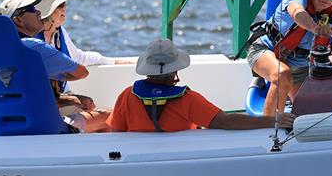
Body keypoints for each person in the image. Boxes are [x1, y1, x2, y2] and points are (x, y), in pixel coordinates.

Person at [106, 38, 295, 132]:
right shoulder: (188, 99)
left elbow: (115, 132)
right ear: (175, 70)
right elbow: (225, 122)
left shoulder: (127, 96)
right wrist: (271, 121)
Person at [0, 0, 109, 132]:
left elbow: (25, 95)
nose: (38, 12)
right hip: (40, 128)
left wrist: (69, 99)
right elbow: (82, 72)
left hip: (1, 128)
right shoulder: (36, 48)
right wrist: (59, 76)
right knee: (109, 118)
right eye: (31, 9)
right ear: (18, 20)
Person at [247, 0, 332, 116]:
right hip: (266, 50)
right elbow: (297, 12)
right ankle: (268, 126)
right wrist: (315, 28)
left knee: (310, 112)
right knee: (282, 75)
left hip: (302, 65)